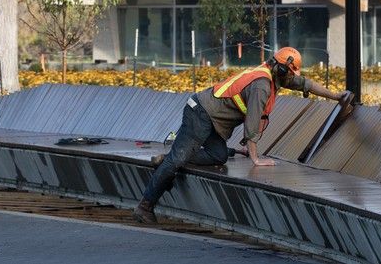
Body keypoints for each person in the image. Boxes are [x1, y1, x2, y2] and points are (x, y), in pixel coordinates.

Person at [133, 46, 353, 224]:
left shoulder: (276, 75)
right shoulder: (261, 85)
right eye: (290, 72)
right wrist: (255, 158)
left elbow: (307, 84)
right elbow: (252, 124)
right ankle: (145, 206)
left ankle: (168, 158)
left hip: (213, 120)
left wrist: (335, 96)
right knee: (177, 160)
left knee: (218, 156)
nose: (291, 76)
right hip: (200, 113)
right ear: (281, 68)